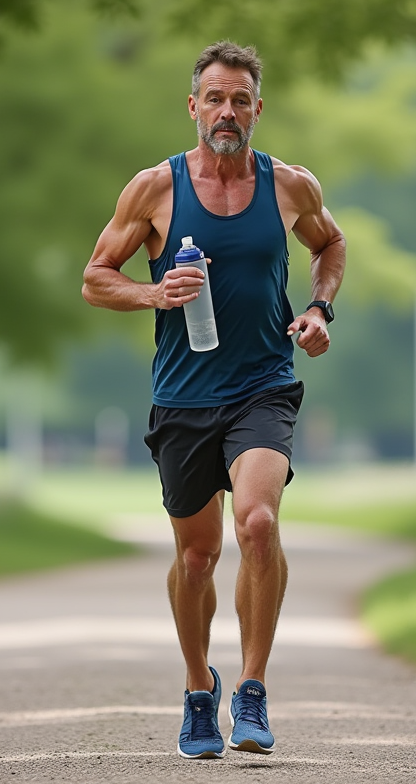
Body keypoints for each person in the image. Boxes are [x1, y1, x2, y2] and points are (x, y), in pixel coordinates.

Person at [82, 40, 346, 759]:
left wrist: (320, 310)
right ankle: (200, 690)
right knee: (196, 558)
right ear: (192, 106)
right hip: (182, 396)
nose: (226, 111)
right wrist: (152, 292)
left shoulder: (289, 185)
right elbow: (95, 277)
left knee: (258, 524)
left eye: (240, 100)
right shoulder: (153, 190)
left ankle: (252, 690)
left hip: (263, 385)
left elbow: (330, 245)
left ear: (258, 109)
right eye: (214, 98)